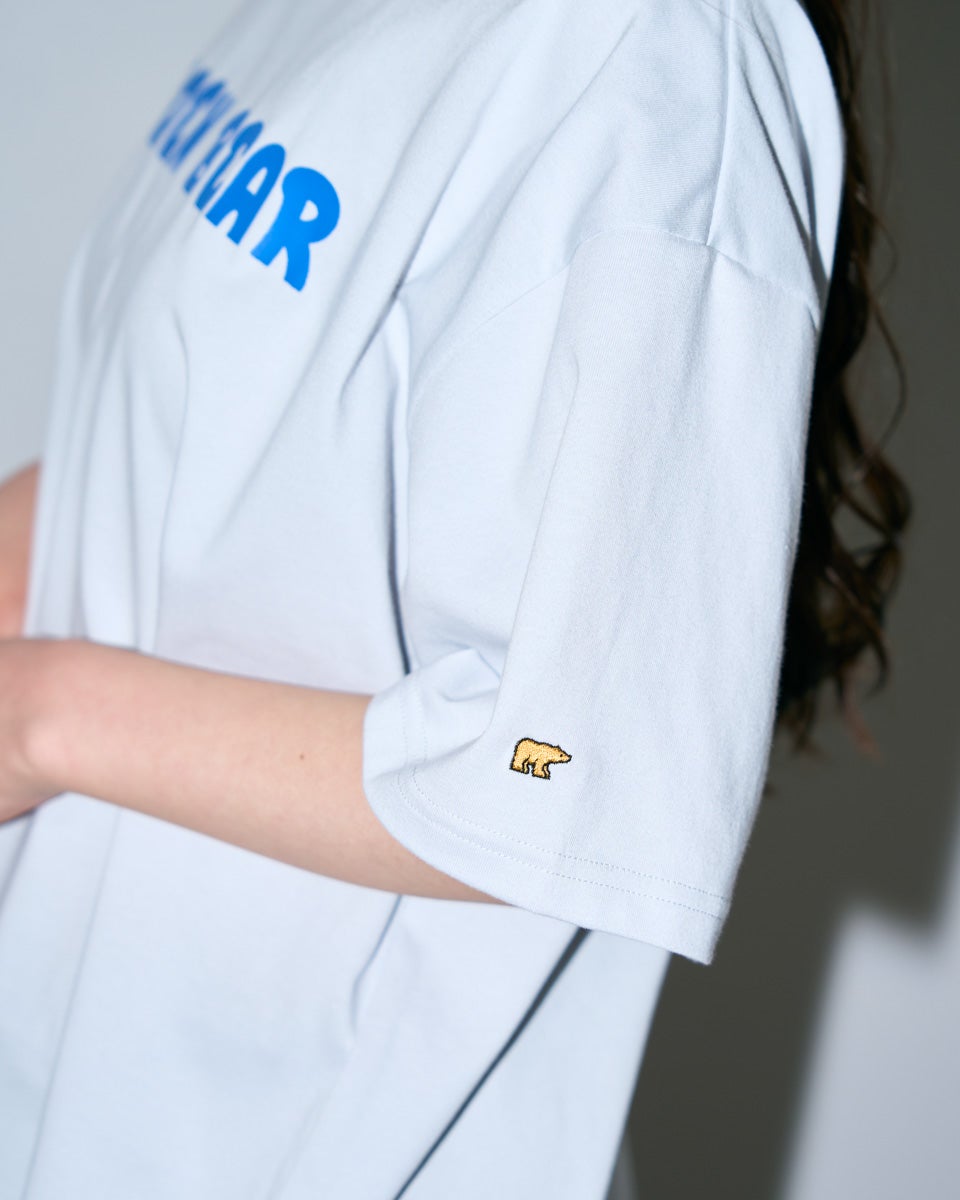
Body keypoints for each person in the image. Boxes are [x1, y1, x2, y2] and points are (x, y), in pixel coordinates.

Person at [0, 0, 910, 1196]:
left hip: (304, 1139)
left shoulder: (664, 51)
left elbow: (565, 772)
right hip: (91, 1060)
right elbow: (210, 441)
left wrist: (43, 716)